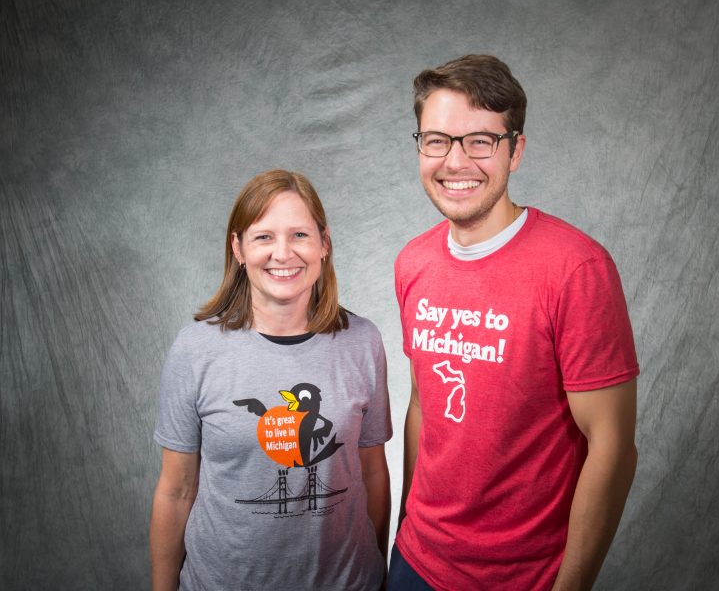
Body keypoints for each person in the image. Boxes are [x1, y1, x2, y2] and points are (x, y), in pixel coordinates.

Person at [389, 55, 639, 590]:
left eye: (481, 140)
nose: (456, 161)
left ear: (516, 150)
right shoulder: (413, 263)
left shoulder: (576, 269)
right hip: (415, 564)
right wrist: (404, 527)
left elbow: (612, 446)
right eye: (437, 140)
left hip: (523, 579)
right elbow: (420, 405)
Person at [150, 169, 392, 591]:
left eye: (299, 235)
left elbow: (373, 472)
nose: (283, 253)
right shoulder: (195, 350)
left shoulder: (362, 341)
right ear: (238, 248)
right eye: (264, 237)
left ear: (324, 244)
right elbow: (176, 491)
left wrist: (375, 575)